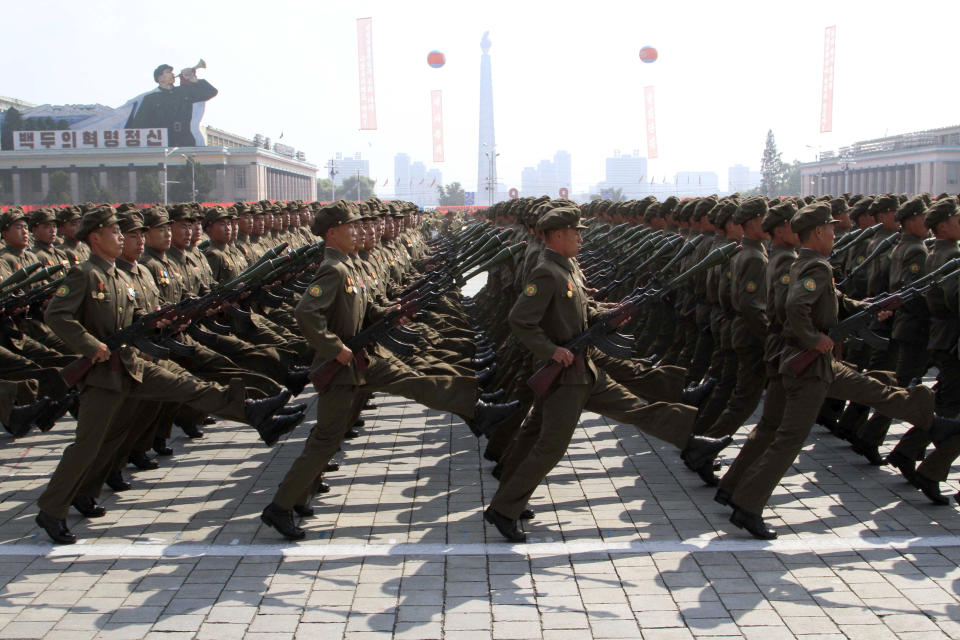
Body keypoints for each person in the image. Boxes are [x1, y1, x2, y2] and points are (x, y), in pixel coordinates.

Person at [35, 206, 304, 545]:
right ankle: (51, 508)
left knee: (188, 387)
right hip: (103, 374)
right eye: (116, 232)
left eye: (123, 232)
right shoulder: (85, 274)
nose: (121, 237)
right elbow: (57, 316)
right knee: (89, 444)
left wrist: (158, 321)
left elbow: (133, 316)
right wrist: (91, 346)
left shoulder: (121, 275)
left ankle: (252, 412)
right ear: (94, 237)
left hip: (134, 364)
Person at [262, 200, 519, 541]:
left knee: (410, 380)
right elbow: (306, 314)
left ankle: (476, 409)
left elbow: (363, 308)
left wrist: (388, 311)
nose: (359, 231)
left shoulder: (348, 265)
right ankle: (280, 507)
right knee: (326, 439)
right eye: (351, 226)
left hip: (363, 358)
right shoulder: (332, 269)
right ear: (333, 232)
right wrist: (333, 348)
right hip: (342, 367)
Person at [484, 205, 731, 543]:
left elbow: (581, 310)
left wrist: (610, 313)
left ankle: (692, 441)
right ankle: (503, 509)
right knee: (549, 445)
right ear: (557, 236)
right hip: (563, 375)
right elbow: (520, 320)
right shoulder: (547, 272)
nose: (580, 238)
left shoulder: (567, 267)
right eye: (575, 232)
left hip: (583, 369)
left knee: (631, 408)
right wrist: (550, 350)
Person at [724, 203, 960, 539]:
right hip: (809, 366)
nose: (835, 234)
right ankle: (747, 506)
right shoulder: (814, 266)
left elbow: (834, 301)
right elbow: (794, 308)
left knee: (873, 390)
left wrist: (869, 309)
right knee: (789, 438)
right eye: (831, 230)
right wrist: (814, 337)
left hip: (810, 362)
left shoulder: (806, 263)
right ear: (818, 232)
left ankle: (933, 422)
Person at [125, 63, 217, 146]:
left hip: (185, 142)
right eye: (168, 72)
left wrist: (193, 79)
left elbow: (211, 92)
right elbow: (139, 125)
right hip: (163, 144)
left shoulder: (184, 91)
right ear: (160, 78)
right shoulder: (150, 99)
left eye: (172, 72)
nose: (173, 74)